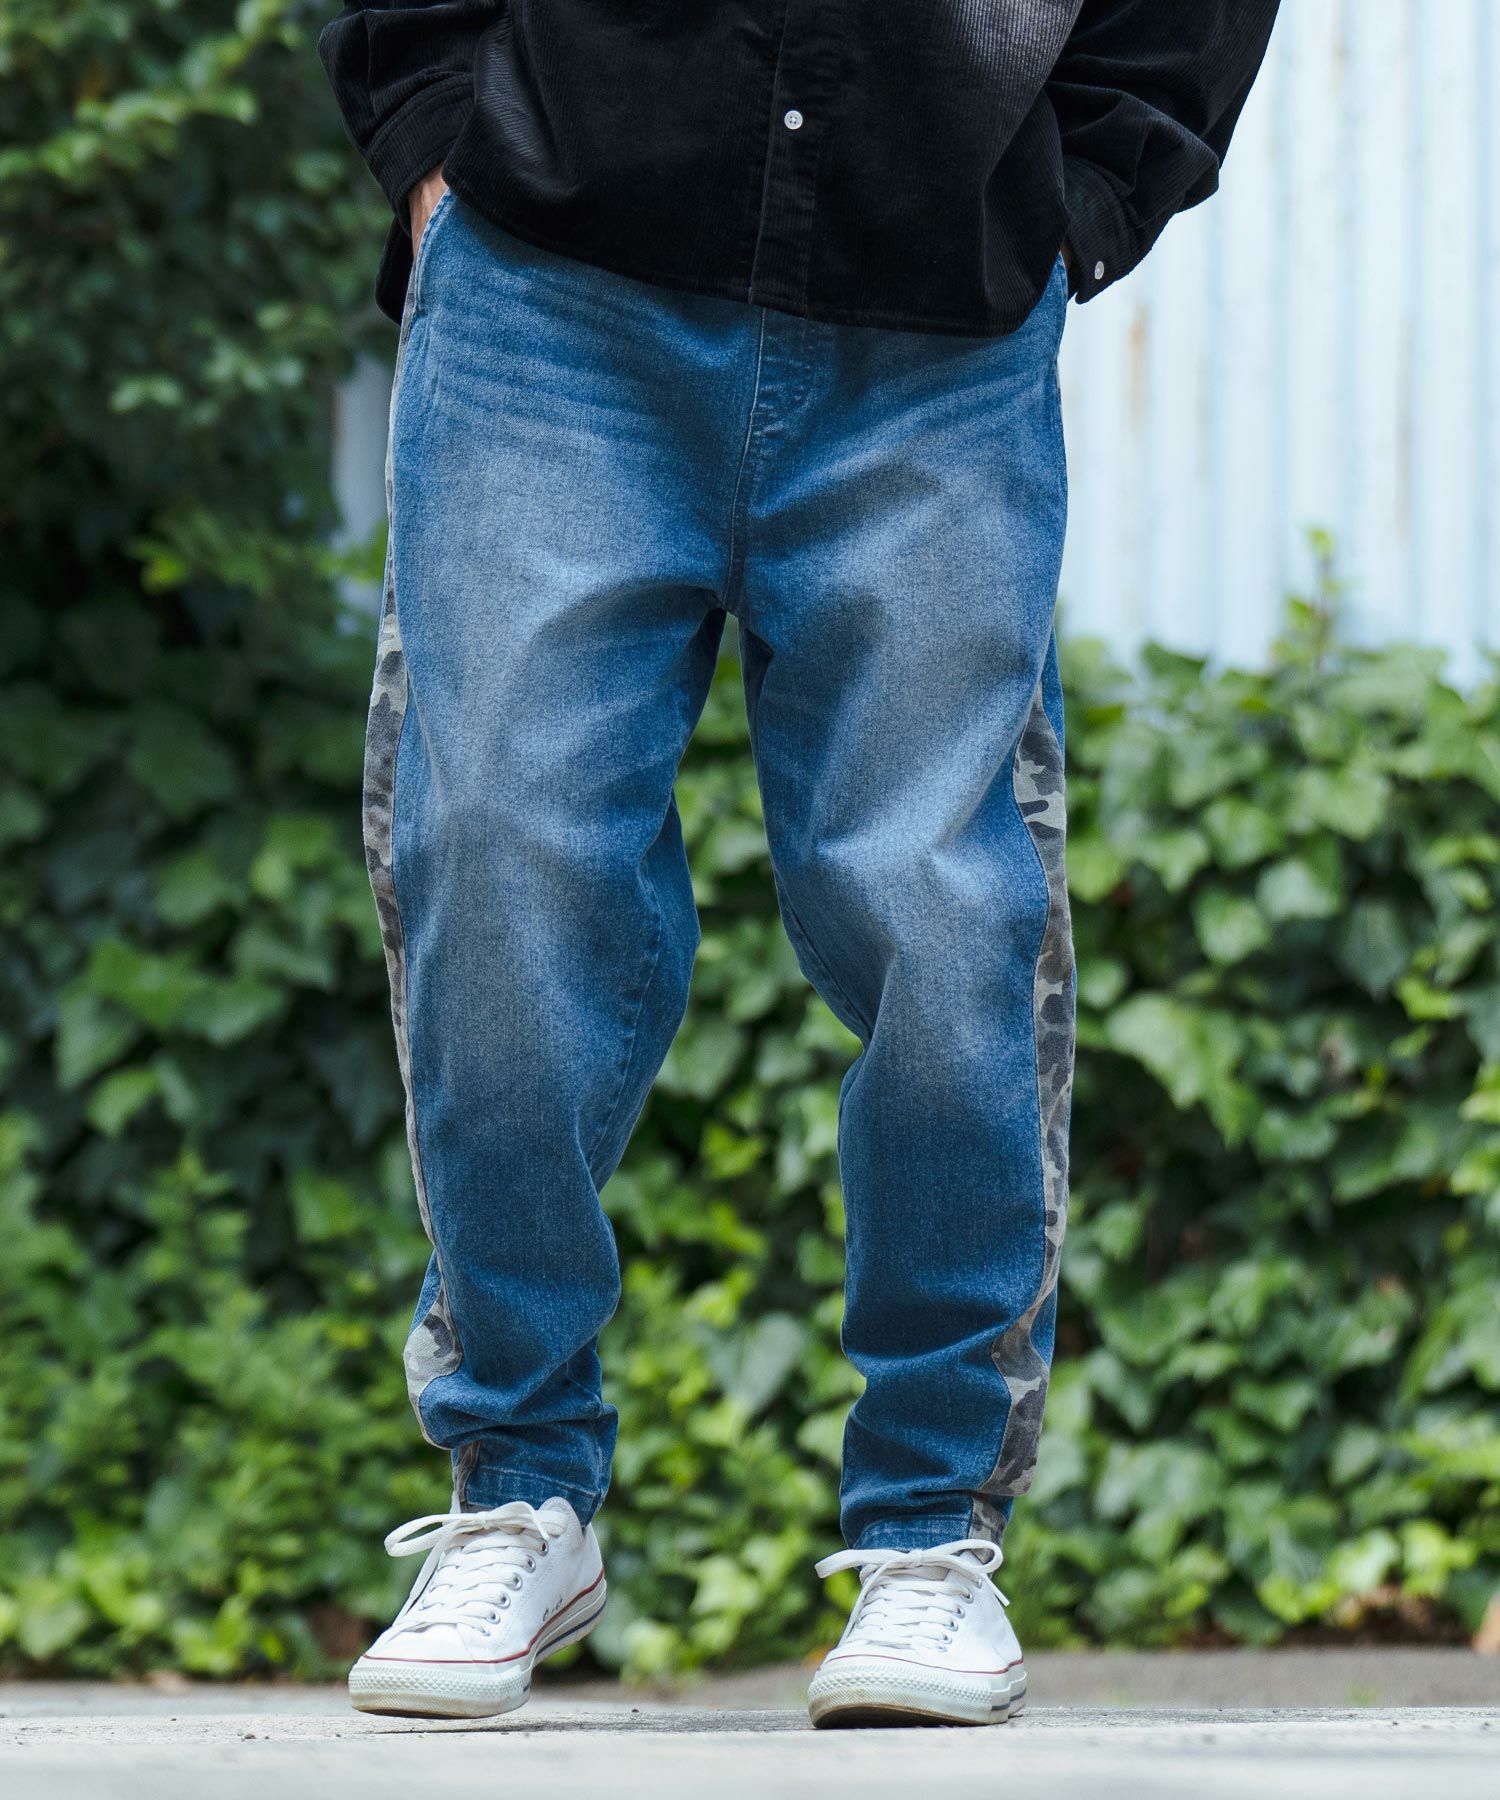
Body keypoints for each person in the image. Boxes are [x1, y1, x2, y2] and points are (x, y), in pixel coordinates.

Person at [319, 0, 1280, 1729]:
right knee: (495, 847)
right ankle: (516, 1483)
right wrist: (430, 118)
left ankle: (931, 1533)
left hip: (936, 302)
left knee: (942, 905)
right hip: (552, 262)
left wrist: (1090, 188)